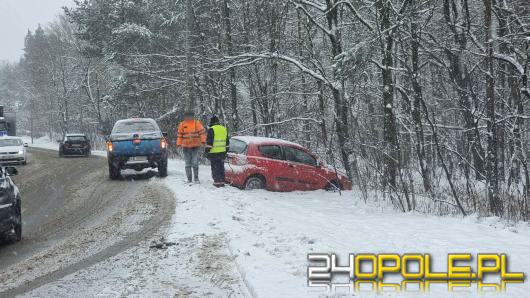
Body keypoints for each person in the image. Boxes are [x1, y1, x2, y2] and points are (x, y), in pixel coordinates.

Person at [176, 111, 206, 183]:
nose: (189, 118)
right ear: (185, 116)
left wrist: (203, 141)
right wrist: (179, 144)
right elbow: (180, 135)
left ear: (193, 116)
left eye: (190, 116)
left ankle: (196, 178)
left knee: (195, 163)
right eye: (187, 116)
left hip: (195, 146)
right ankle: (189, 179)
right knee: (187, 164)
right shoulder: (182, 124)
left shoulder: (196, 123)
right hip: (185, 147)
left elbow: (202, 133)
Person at [205, 115, 229, 187]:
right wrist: (226, 151)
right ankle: (222, 181)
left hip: (214, 152)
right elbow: (227, 142)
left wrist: (206, 151)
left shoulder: (212, 129)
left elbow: (210, 142)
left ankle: (217, 182)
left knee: (215, 167)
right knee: (221, 167)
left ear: (212, 122)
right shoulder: (223, 128)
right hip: (222, 152)